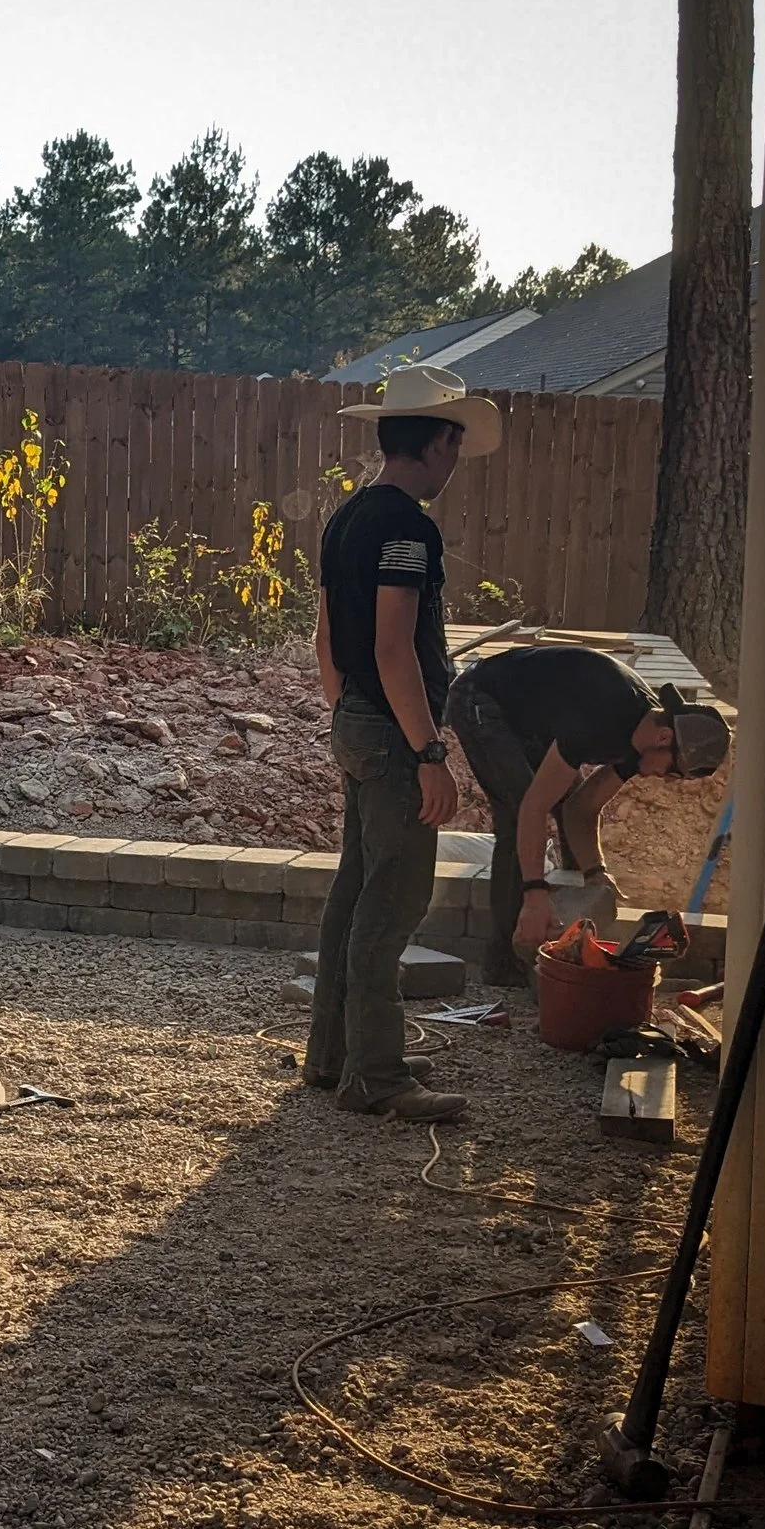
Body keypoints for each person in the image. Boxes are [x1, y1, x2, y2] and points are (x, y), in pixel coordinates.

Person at [304, 364, 500, 1122]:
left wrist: (348, 714)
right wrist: (427, 753)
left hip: (357, 720)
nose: (456, 461)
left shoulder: (347, 517)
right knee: (393, 899)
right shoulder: (408, 529)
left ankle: (336, 1054)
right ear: (440, 440)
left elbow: (327, 636)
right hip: (391, 732)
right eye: (456, 444)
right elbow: (394, 648)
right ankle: (377, 1076)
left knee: (355, 889)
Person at [444, 646, 730, 982]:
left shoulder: (641, 739)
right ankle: (507, 962)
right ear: (664, 737)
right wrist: (535, 893)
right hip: (479, 698)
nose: (666, 780)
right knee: (517, 810)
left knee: (560, 799)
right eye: (673, 771)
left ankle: (567, 942)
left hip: (534, 717)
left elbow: (581, 808)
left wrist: (596, 875)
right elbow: (534, 808)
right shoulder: (602, 716)